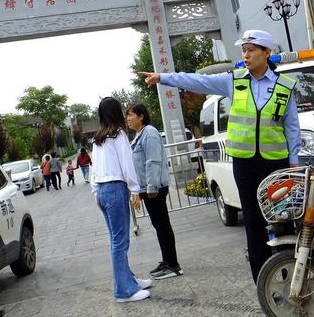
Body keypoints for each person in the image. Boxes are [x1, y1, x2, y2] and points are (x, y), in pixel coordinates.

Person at [141, 29, 300, 283]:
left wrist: (293, 163)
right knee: (254, 224)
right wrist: (163, 77)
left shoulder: (285, 87)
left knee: (282, 220)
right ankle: (264, 283)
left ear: (266, 53)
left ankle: (291, 277)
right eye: (243, 51)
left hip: (276, 166)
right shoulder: (234, 81)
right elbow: (197, 81)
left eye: (251, 50)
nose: (245, 55)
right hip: (245, 165)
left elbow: (292, 127)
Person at [91, 97, 151, 302]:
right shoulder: (118, 135)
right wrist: (135, 189)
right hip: (116, 189)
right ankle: (124, 291)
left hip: (102, 191)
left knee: (117, 241)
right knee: (120, 242)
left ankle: (129, 280)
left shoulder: (98, 138)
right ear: (116, 112)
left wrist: (95, 191)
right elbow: (127, 164)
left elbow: (93, 170)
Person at [126, 103, 183, 280]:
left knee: (162, 225)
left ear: (141, 116)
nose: (128, 119)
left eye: (130, 115)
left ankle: (173, 265)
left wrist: (150, 188)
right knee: (159, 226)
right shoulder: (139, 135)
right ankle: (167, 261)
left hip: (155, 188)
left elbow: (153, 161)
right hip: (148, 189)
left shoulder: (149, 133)